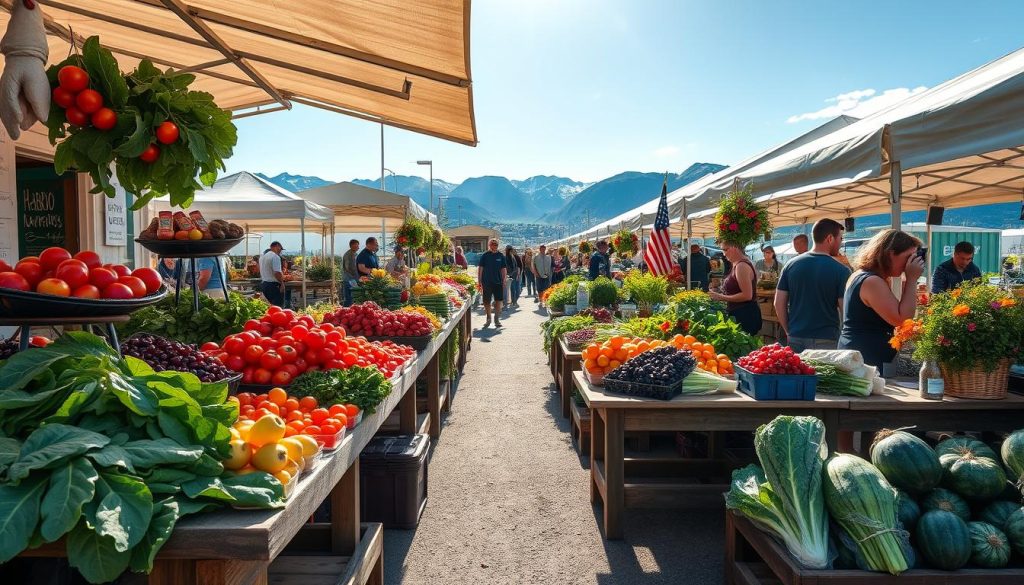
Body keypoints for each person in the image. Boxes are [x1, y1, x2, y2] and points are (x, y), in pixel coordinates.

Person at [838, 229, 925, 371]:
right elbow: (902, 319)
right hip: (864, 358)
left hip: (860, 355)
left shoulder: (863, 275)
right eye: (908, 256)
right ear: (890, 254)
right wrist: (911, 279)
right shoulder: (872, 281)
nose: (911, 262)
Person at [774, 219, 852, 352]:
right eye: (840, 238)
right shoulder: (842, 271)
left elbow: (778, 303)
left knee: (799, 373)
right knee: (824, 373)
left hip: (796, 336)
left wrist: (789, 331)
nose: (841, 242)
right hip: (826, 339)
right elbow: (846, 311)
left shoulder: (790, 265)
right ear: (830, 238)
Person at [709, 241, 762, 336]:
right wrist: (720, 290)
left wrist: (721, 297)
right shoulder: (739, 263)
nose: (724, 254)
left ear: (735, 247)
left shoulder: (741, 266)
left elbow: (747, 295)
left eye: (725, 250)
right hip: (742, 313)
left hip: (744, 316)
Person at [477, 239, 507, 328]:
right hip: (486, 282)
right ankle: (488, 317)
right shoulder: (485, 256)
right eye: (492, 244)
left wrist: (504, 279)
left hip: (498, 282)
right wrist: (479, 281)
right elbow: (480, 268)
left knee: (499, 300)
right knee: (486, 301)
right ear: (489, 245)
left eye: (496, 244)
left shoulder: (501, 256)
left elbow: (503, 269)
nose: (494, 246)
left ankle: (497, 318)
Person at [259, 241, 286, 307]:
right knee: (277, 308)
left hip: (264, 284)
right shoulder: (275, 257)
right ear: (277, 246)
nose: (280, 251)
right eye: (280, 248)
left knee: (268, 308)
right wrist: (282, 283)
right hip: (273, 286)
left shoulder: (262, 257)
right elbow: (277, 272)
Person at [341, 239, 360, 306]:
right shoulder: (348, 255)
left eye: (358, 245)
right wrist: (356, 275)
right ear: (352, 245)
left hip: (353, 279)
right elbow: (348, 268)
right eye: (357, 245)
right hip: (349, 279)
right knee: (349, 297)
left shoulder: (355, 254)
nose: (358, 247)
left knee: (353, 297)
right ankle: (346, 312)